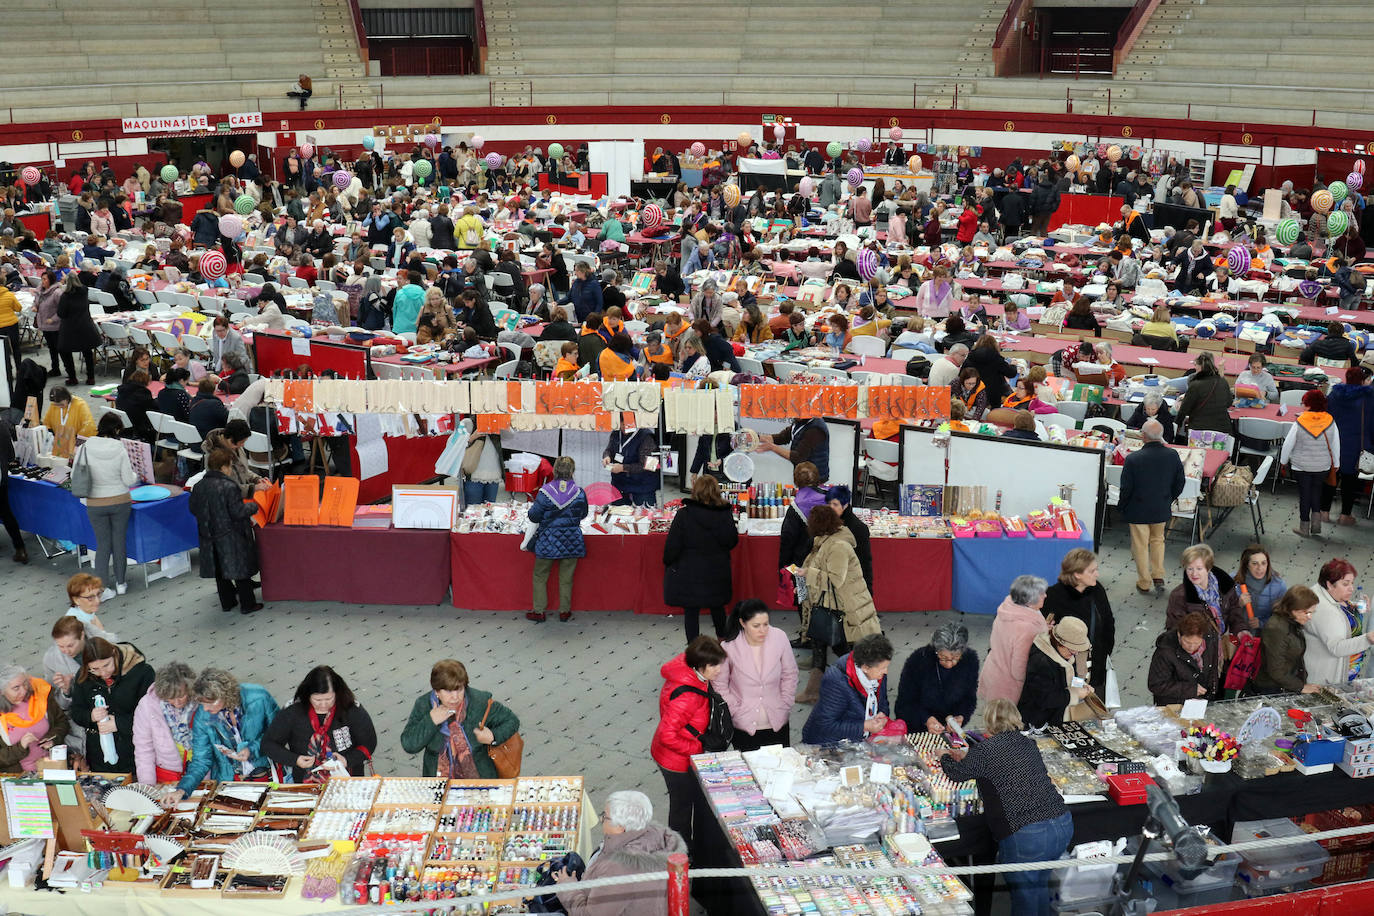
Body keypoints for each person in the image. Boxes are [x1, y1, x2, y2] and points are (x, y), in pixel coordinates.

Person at [939, 699, 1070, 916]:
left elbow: (957, 773)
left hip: (1027, 833)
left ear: (989, 722)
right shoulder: (1027, 743)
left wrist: (944, 756)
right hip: (1062, 823)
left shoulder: (986, 750)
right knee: (1039, 887)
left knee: (1025, 897)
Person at [551, 789, 686, 916]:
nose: (601, 819)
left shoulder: (618, 868)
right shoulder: (657, 835)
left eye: (605, 816)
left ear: (620, 827)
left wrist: (567, 888)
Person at [651, 635, 727, 852]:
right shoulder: (687, 697)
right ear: (700, 665)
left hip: (673, 754)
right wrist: (697, 750)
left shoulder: (686, 668)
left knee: (684, 803)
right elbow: (667, 734)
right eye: (714, 665)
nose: (719, 670)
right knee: (682, 808)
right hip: (675, 761)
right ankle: (680, 852)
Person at [797, 506, 881, 699]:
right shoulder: (828, 540)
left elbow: (835, 579)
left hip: (844, 607)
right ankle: (815, 689)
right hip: (832, 603)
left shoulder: (837, 546)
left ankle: (857, 687)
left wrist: (807, 574)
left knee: (840, 646)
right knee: (821, 640)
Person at [167, 670, 279, 801]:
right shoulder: (202, 718)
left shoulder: (259, 697)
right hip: (229, 780)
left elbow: (279, 734)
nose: (205, 709)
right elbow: (201, 760)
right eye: (202, 703)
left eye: (209, 703)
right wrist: (182, 790)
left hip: (265, 772)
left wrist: (252, 749)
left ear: (225, 695)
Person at [401, 658, 519, 778]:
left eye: (459, 689)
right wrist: (431, 720)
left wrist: (493, 736)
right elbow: (409, 744)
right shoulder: (424, 705)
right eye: (448, 691)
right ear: (436, 691)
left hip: (479, 779)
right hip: (438, 781)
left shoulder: (480, 702)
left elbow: (512, 720)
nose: (455, 697)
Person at [264, 665, 378, 782]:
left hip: (348, 779)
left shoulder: (350, 708)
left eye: (329, 699)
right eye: (317, 700)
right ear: (307, 695)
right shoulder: (293, 711)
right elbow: (269, 744)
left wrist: (347, 760)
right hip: (305, 782)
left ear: (337, 693)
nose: (323, 705)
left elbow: (369, 743)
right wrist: (295, 759)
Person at [663, 475, 739, 642]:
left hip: (689, 573)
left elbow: (672, 547)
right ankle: (723, 643)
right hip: (717, 571)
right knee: (718, 609)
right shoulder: (724, 513)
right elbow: (731, 541)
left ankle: (694, 650)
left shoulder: (684, 515)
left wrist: (669, 563)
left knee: (691, 612)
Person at [716, 600, 798, 752]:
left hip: (778, 721)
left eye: (766, 624)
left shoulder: (779, 637)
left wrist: (786, 702)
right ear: (742, 623)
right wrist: (734, 710)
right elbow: (719, 685)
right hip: (744, 725)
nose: (763, 630)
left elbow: (790, 673)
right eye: (756, 626)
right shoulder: (729, 647)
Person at [189, 448, 262, 615]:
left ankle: (227, 603)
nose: (231, 469)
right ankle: (248, 604)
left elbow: (193, 508)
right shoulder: (229, 486)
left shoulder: (199, 486)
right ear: (223, 467)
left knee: (220, 571)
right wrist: (253, 506)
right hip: (231, 534)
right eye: (229, 466)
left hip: (208, 534)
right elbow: (238, 512)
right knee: (240, 570)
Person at [69, 636, 154, 774]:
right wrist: (90, 716)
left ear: (114, 653)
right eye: (94, 669)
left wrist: (119, 724)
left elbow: (151, 714)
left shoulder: (141, 672)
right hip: (99, 755)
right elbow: (76, 712)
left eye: (106, 665)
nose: (103, 673)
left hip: (136, 752)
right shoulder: (84, 676)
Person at [1120, 419, 1186, 596]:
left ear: (1143, 436)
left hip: (1138, 509)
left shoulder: (1133, 459)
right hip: (1161, 507)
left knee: (1140, 546)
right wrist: (1169, 498)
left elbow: (1126, 488)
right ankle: (1158, 575)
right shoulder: (1172, 455)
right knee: (1158, 540)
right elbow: (1180, 482)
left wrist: (1122, 506)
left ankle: (1144, 582)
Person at [1166, 543, 1251, 675]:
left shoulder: (1225, 585)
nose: (1194, 574)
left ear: (1208, 568)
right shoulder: (1179, 596)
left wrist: (1240, 629)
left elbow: (1234, 608)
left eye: (1199, 569)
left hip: (1223, 647)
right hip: (1198, 655)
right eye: (1189, 569)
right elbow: (1174, 628)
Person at [1041, 549, 1115, 695]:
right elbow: (1046, 635)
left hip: (1096, 669)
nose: (1097, 574)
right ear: (1077, 574)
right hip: (1065, 672)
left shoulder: (1097, 590)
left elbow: (1108, 624)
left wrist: (1103, 654)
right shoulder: (1053, 596)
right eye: (1092, 571)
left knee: (1094, 710)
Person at [80, 413, 138, 597]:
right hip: (119, 500)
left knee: (102, 545)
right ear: (116, 429)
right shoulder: (120, 448)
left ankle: (102, 589)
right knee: (119, 542)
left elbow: (78, 475)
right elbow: (128, 479)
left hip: (94, 503)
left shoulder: (85, 447)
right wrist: (136, 476)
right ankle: (121, 584)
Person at [525, 456, 587, 622]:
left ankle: (539, 611)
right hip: (572, 540)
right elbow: (584, 514)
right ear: (572, 472)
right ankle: (564, 611)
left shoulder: (545, 492)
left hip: (547, 540)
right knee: (566, 578)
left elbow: (534, 516)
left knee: (540, 576)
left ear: (554, 470)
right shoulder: (579, 492)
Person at [801, 633, 894, 745]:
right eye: (883, 668)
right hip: (830, 744)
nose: (886, 671)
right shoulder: (837, 681)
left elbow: (883, 702)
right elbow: (825, 725)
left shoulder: (877, 671)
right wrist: (864, 726)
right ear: (865, 668)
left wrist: (882, 715)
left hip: (860, 741)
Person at [896, 623, 979, 735]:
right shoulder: (918, 661)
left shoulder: (970, 661)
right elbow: (904, 703)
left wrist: (961, 716)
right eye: (944, 658)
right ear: (936, 650)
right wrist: (925, 719)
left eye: (955, 658)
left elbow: (969, 699)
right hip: (918, 728)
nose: (949, 664)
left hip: (950, 730)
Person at [979, 575, 1049, 705]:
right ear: (1029, 600)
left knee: (994, 719)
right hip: (1008, 686)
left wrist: (1043, 630)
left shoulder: (1009, 610)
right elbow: (1019, 669)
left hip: (995, 672)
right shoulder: (1027, 628)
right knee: (1006, 723)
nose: (1045, 595)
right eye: (1041, 593)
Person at [1281, 388, 1340, 537]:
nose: (1302, 405)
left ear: (1309, 405)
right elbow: (1335, 444)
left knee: (1304, 495)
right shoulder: (1330, 421)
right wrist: (1337, 463)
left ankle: (1304, 527)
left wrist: (1283, 460)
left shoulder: (1300, 421)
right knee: (1316, 493)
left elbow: (1288, 444)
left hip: (1301, 466)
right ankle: (1316, 525)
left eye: (1303, 403)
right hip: (1322, 466)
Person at [1305, 558, 1374, 685]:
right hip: (1326, 678)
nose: (1351, 589)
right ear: (1330, 584)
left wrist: (1354, 608)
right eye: (1346, 584)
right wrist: (1368, 638)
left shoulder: (1324, 592)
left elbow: (1339, 614)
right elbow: (1337, 647)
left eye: (1352, 583)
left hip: (1338, 670)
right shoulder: (1323, 610)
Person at [1322, 366, 1374, 526]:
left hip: (1334, 442)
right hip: (1357, 445)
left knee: (1331, 476)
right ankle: (1345, 515)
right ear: (1362, 381)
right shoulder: (1369, 398)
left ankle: (1323, 512)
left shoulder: (1334, 394)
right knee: (1350, 480)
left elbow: (1326, 415)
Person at [1019, 616, 1093, 727]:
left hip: (1054, 716)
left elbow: (1071, 674)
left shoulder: (1064, 653)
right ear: (1059, 643)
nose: (1076, 654)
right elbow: (1045, 698)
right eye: (1072, 649)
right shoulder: (1040, 662)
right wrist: (1075, 694)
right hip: (1037, 721)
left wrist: (1081, 685)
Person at [132, 661, 196, 785]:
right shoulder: (147, 706)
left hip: (200, 774)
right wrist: (148, 785)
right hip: (167, 776)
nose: (177, 703)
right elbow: (143, 749)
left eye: (181, 696)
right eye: (170, 698)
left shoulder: (201, 702)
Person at [1252, 586, 1323, 695]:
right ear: (1293, 609)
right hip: (1272, 689)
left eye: (1312, 612)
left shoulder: (1292, 622)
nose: (1310, 617)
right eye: (1307, 612)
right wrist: (1301, 687)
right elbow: (1276, 670)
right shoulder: (1276, 628)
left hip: (1286, 685)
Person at [0, 664, 69, 773]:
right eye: (16, 688)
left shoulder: (40, 698)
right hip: (20, 779)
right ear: (1, 691)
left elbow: (62, 722)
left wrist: (52, 739)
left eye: (25, 684)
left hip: (54, 767)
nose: (23, 691)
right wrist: (21, 746)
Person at [1147, 611, 1221, 704]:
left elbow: (1212, 668)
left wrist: (1212, 690)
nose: (1192, 647)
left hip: (1201, 702)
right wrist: (1191, 689)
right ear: (1179, 635)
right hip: (1174, 704)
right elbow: (1156, 685)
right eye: (1187, 642)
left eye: (1196, 643)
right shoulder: (1165, 652)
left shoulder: (1210, 640)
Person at [1174, 352, 1233, 435]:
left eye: (1195, 365)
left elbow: (1184, 409)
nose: (1195, 368)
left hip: (1200, 430)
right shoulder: (1223, 381)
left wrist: (1177, 425)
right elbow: (1229, 403)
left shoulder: (1195, 385)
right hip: (1222, 429)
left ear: (1200, 366)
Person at [56, 273, 99, 385]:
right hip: (85, 325)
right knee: (87, 352)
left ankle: (72, 377)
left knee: (65, 351)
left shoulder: (65, 296)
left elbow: (61, 313)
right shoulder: (84, 291)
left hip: (70, 328)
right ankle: (91, 377)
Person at [603, 418, 657, 505]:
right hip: (619, 485)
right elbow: (609, 449)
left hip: (642, 486)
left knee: (643, 516)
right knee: (617, 515)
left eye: (627, 424)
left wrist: (623, 468)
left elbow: (649, 465)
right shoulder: (616, 433)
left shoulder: (647, 436)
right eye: (622, 424)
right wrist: (606, 456)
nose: (624, 427)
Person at [758, 416, 830, 481]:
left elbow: (798, 457)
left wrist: (772, 447)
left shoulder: (815, 429)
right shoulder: (800, 421)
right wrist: (757, 437)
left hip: (814, 478)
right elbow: (782, 437)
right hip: (803, 475)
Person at [1237, 544, 1287, 629]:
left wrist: (1262, 623)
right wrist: (1238, 605)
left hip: (1266, 632)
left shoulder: (1279, 586)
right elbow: (1223, 611)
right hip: (1239, 629)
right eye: (1254, 564)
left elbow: (1283, 617)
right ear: (1247, 565)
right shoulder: (1234, 581)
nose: (1260, 568)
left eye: (1263, 563)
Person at [965, 334, 1017, 407]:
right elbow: (1011, 373)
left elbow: (962, 374)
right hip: (993, 395)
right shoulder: (996, 358)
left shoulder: (970, 357)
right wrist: (1013, 365)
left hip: (972, 392)